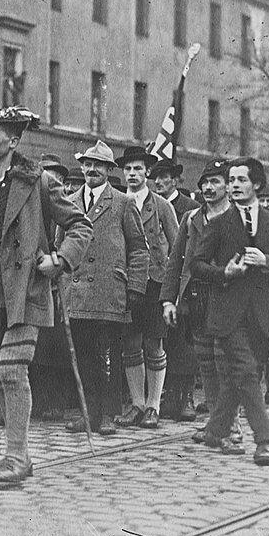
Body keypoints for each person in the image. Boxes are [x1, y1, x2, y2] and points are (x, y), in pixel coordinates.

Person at [0, 106, 92, 484]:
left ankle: (17, 455)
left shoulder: (38, 181)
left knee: (11, 371)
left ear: (12, 141)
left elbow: (80, 225)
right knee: (0, 374)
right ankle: (15, 451)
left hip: (25, 293)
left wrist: (60, 259)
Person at [190, 157, 269, 466]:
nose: (234, 185)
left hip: (261, 317)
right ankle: (264, 441)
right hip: (227, 315)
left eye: (241, 180)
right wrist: (225, 273)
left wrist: (266, 261)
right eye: (231, 180)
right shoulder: (219, 224)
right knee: (247, 373)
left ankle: (216, 429)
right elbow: (196, 265)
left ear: (257, 184)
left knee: (239, 379)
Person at [63, 140, 148, 436]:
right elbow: (60, 242)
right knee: (83, 356)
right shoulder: (69, 201)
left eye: (98, 165)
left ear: (109, 170)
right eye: (87, 164)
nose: (92, 170)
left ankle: (109, 414)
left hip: (109, 292)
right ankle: (88, 413)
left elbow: (139, 248)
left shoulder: (123, 203)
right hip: (76, 292)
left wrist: (135, 287)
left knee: (108, 356)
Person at [161, 159, 232, 435]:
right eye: (205, 183)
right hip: (196, 298)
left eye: (215, 182)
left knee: (225, 363)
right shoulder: (192, 219)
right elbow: (176, 261)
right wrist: (169, 300)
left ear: (227, 186)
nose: (209, 188)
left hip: (226, 297)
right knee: (206, 363)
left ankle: (230, 424)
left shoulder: (238, 218)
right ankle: (216, 421)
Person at [114, 145, 178, 429]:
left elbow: (177, 247)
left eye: (138, 169)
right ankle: (137, 404)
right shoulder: (117, 202)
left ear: (147, 172)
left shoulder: (161, 205)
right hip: (126, 281)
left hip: (155, 282)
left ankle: (154, 405)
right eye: (127, 169)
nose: (132, 174)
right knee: (130, 342)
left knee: (153, 342)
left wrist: (171, 289)